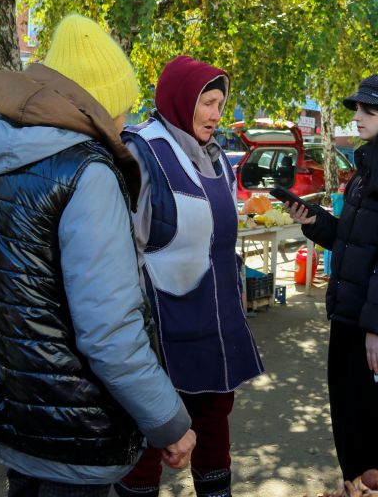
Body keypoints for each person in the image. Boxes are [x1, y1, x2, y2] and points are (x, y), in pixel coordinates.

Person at [0, 15, 195, 496]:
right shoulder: (86, 173)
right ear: (97, 105)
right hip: (70, 424)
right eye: (121, 108)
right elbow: (109, 332)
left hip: (9, 411)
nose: (124, 121)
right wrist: (170, 422)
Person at [118, 56, 264, 497]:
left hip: (215, 326)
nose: (217, 114)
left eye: (221, 103)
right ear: (182, 100)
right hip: (161, 333)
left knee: (214, 427)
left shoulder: (218, 158)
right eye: (208, 103)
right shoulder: (141, 152)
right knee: (148, 436)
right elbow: (121, 250)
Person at [286, 74, 378, 481]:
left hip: (373, 325)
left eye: (369, 111)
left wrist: (377, 328)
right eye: (357, 110)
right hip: (351, 317)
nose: (358, 118)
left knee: (377, 430)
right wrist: (316, 223)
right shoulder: (371, 165)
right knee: (351, 427)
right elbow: (356, 242)